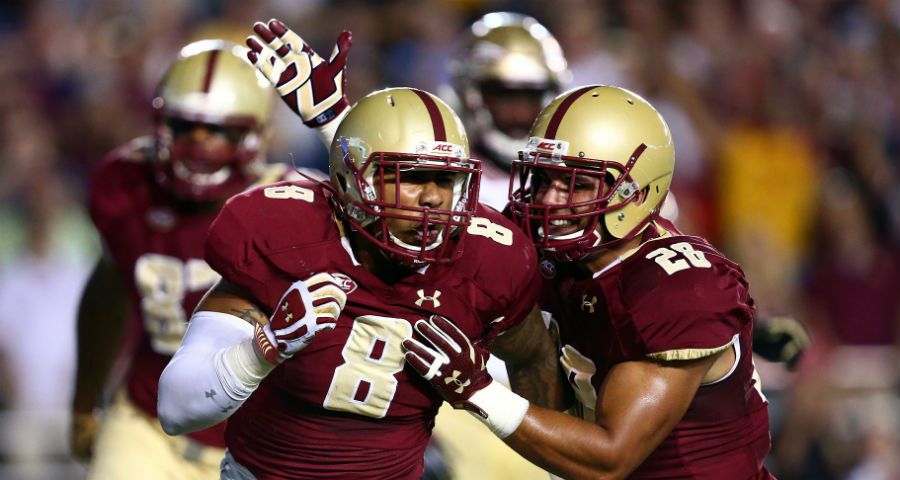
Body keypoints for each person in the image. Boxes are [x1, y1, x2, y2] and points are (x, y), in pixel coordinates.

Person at [156, 21, 548, 479]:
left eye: (447, 180)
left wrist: (481, 392)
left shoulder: (490, 255)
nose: (433, 199)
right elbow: (177, 409)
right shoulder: (282, 236)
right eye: (413, 179)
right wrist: (265, 348)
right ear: (349, 183)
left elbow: (536, 362)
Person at [404, 85, 775, 479]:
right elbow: (421, 221)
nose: (548, 201)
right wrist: (339, 125)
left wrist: (477, 391)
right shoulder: (541, 239)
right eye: (544, 178)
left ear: (638, 193)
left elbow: (609, 460)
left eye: (577, 185)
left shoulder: (680, 287)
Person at [70, 39, 288, 479]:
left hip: (262, 445)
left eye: (221, 130)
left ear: (256, 134)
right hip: (147, 426)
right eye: (186, 126)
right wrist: (84, 401)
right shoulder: (126, 182)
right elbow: (108, 289)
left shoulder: (291, 208)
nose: (200, 143)